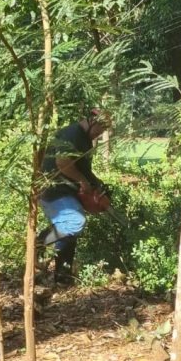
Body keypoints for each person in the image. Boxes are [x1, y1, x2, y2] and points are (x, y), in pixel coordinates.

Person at [37, 108, 113, 286]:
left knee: (69, 233)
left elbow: (82, 168)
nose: (99, 134)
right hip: (53, 190)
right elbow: (62, 164)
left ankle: (62, 275)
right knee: (74, 221)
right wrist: (83, 182)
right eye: (99, 130)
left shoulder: (85, 140)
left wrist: (96, 183)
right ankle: (39, 244)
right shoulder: (73, 134)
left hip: (65, 190)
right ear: (92, 121)